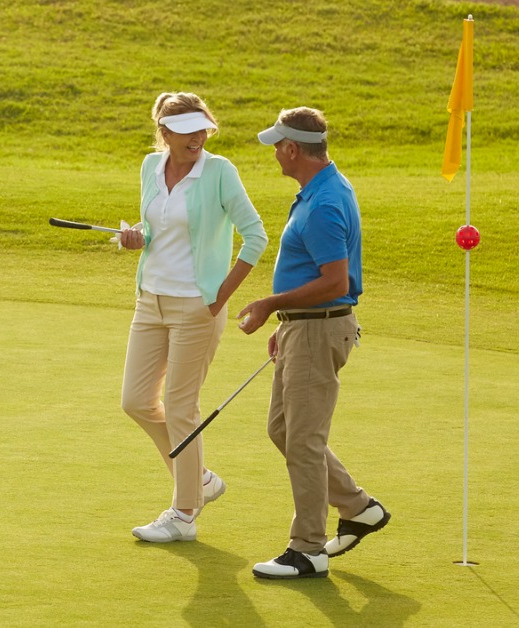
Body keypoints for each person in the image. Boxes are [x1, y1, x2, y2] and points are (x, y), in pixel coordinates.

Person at [235, 107, 390, 578]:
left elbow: (334, 281)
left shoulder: (323, 203)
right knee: (284, 430)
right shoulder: (319, 190)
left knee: (303, 440)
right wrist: (287, 322)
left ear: (292, 149)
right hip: (304, 327)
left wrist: (268, 305)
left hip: (319, 326)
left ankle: (307, 550)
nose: (274, 154)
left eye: (277, 146)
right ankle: (358, 507)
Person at [120, 92, 268, 543]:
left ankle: (184, 514)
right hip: (151, 301)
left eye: (202, 129)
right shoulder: (151, 166)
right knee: (136, 400)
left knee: (182, 408)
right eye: (186, 132)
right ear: (164, 133)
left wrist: (219, 295)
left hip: (197, 307)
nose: (197, 138)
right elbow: (158, 226)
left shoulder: (220, 172)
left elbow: (256, 236)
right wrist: (134, 237)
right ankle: (200, 478)